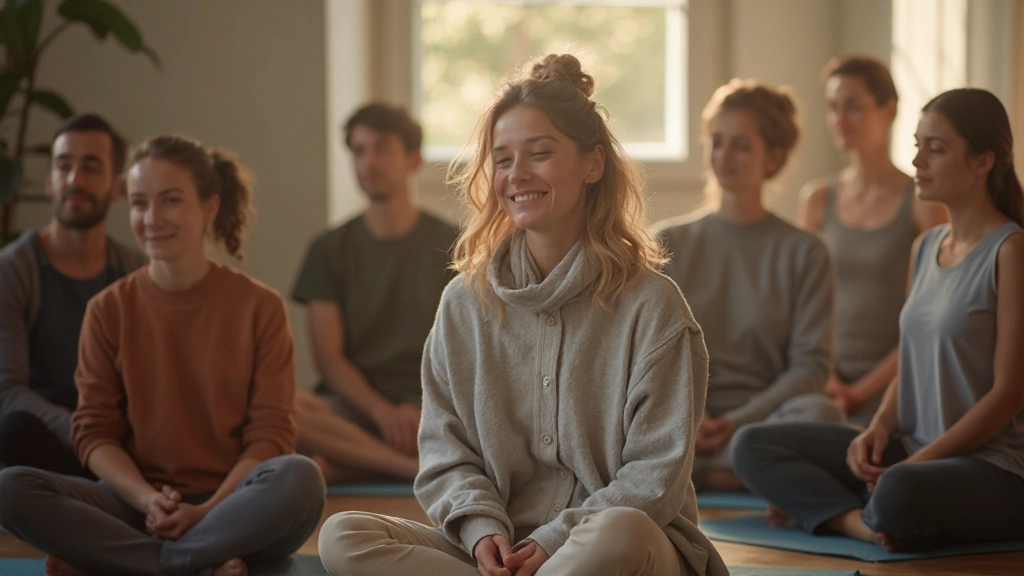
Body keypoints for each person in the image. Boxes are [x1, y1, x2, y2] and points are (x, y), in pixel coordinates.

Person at [318, 54, 728, 576]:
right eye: (503, 159)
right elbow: (445, 452)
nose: (517, 175)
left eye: (540, 154)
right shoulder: (463, 303)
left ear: (593, 164)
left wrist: (557, 540)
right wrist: (481, 529)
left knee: (617, 531)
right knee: (344, 535)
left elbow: (655, 475)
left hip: (621, 544)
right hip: (503, 548)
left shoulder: (653, 305)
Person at [0, 134, 325, 576]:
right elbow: (94, 433)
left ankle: (131, 562)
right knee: (10, 488)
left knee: (301, 479)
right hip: (133, 505)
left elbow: (270, 437)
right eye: (138, 203)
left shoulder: (260, 307)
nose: (151, 219)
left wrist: (206, 512)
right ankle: (194, 564)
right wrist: (147, 499)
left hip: (235, 506)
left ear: (209, 207)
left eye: (170, 201)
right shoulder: (107, 309)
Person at [733, 88, 1024, 552]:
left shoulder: (1011, 252)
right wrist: (880, 428)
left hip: (992, 466)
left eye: (936, 149)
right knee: (752, 445)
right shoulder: (926, 247)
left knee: (898, 493)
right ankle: (856, 521)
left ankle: (821, 508)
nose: (917, 162)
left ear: (982, 161)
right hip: (912, 448)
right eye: (917, 146)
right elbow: (910, 362)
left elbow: (1009, 395)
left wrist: (918, 464)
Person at [653, 79, 844, 491]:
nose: (724, 156)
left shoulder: (806, 251)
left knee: (822, 413)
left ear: (772, 158)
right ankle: (744, 473)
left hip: (761, 424)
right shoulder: (667, 243)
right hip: (678, 421)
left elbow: (811, 368)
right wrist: (693, 418)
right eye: (716, 142)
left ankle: (707, 473)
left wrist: (735, 423)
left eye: (740, 145)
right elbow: (648, 358)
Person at [292, 102, 459, 483]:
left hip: (435, 408)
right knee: (278, 409)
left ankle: (352, 465)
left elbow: (468, 351)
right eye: (358, 150)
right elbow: (329, 360)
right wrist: (382, 412)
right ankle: (409, 469)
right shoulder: (328, 249)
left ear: (413, 158)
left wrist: (421, 408)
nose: (368, 161)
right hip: (355, 410)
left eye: (381, 147)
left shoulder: (452, 245)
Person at [798, 56, 947, 426]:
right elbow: (802, 305)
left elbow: (930, 313)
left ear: (889, 110)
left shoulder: (923, 203)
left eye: (854, 107)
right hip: (823, 384)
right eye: (833, 108)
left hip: (898, 385)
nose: (840, 120)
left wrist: (861, 391)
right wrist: (829, 379)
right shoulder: (817, 199)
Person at [0, 113, 146, 477]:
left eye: (91, 168)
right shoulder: (13, 270)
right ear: (49, 181)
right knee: (12, 430)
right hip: (53, 440)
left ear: (118, 187)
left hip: (128, 442)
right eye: (63, 166)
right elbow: (6, 392)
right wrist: (94, 438)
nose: (74, 180)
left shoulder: (136, 270)